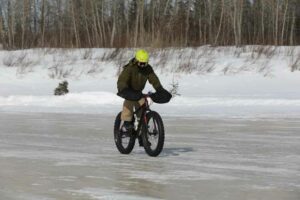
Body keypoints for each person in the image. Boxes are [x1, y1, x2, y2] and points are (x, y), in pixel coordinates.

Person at [117, 49, 171, 133]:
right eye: (141, 63)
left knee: (143, 106)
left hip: (138, 92)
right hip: (129, 91)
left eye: (144, 63)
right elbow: (122, 81)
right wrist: (123, 89)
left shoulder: (148, 69)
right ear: (136, 61)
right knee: (129, 102)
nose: (142, 65)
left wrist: (160, 89)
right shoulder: (129, 68)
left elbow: (154, 80)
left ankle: (142, 129)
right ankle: (127, 123)